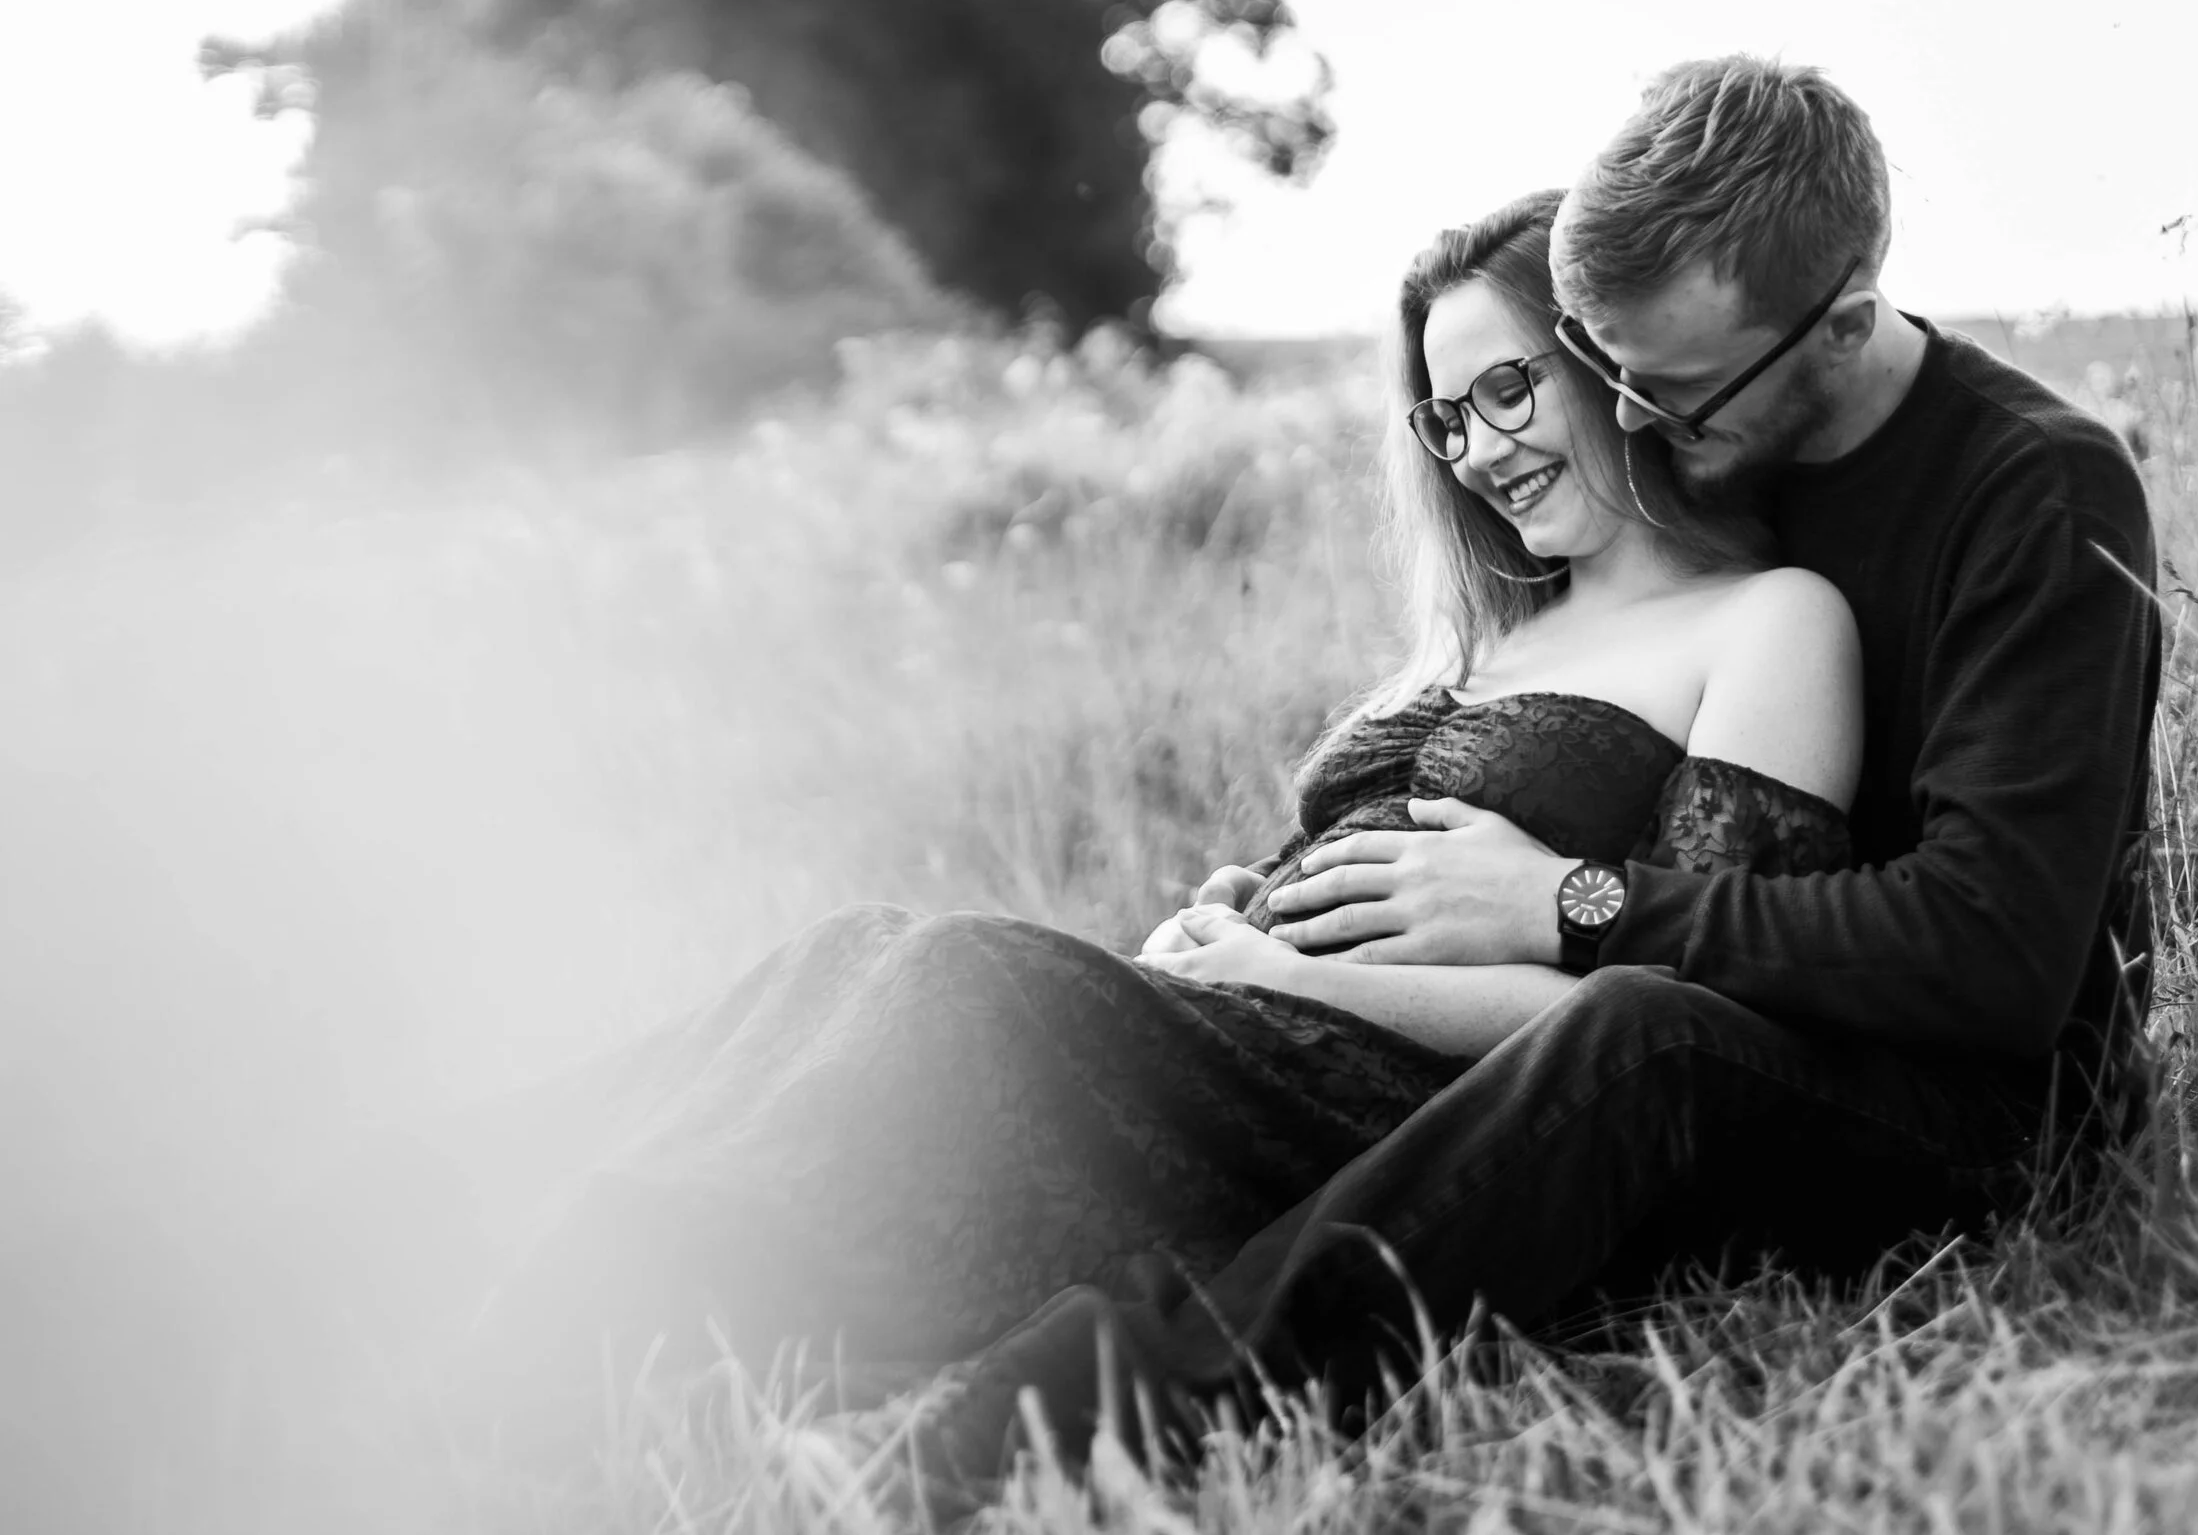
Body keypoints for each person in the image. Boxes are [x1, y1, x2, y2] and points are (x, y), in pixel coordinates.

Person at [292, 186, 1867, 1461]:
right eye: (1447, 419)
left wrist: (1297, 973)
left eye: (1510, 386)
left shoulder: (1768, 621)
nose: (1483, 449)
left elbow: (1678, 1031)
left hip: (1390, 1095)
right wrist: (1237, 917)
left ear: (1607, 362)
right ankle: (411, 1211)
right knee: (856, 954)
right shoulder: (1491, 635)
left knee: (960, 982)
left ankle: (555, 1323)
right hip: (1241, 1022)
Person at [910, 54, 2161, 1499]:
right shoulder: (1732, 430)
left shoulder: (2035, 492)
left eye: (1667, 390)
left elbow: (1994, 957)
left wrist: (1566, 899)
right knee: (958, 979)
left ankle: (1107, 1413)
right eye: (1606, 373)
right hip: (1755, 1027)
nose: (1625, 422)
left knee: (1642, 1035)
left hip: (1962, 1110)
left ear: (1842, 325)